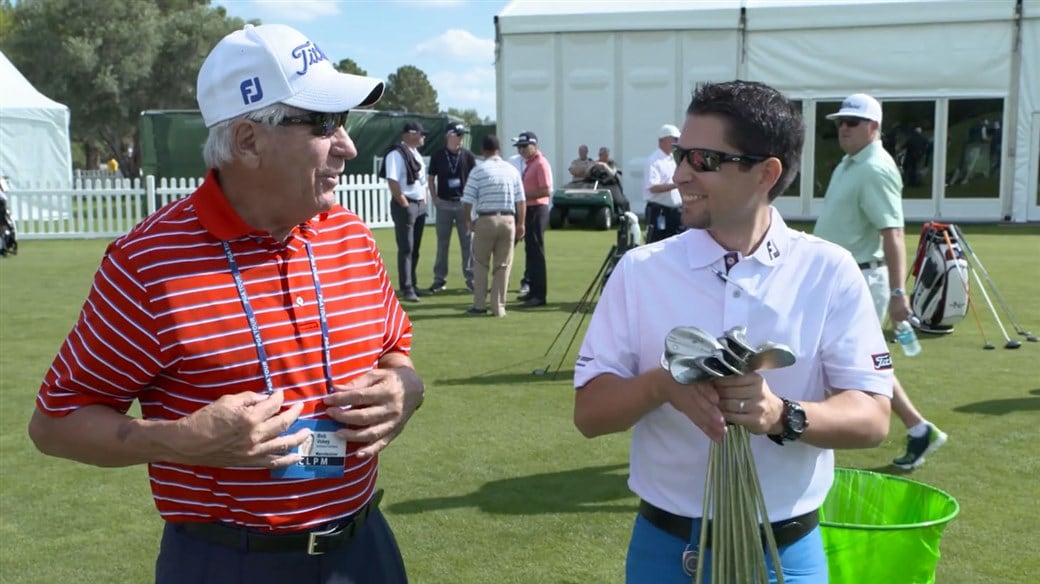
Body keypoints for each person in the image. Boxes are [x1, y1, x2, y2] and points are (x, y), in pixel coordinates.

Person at [27, 23, 424, 584]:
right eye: (324, 123)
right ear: (247, 140)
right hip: (228, 562)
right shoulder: (148, 264)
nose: (348, 146)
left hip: (363, 550)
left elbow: (394, 348)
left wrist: (406, 385)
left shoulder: (349, 235)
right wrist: (181, 440)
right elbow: (54, 424)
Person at [573, 80, 894, 583]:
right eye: (681, 155)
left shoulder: (828, 270)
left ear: (766, 173)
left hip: (786, 553)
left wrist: (781, 415)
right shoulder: (641, 270)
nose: (680, 174)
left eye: (704, 159)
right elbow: (590, 414)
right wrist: (661, 386)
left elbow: (873, 417)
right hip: (667, 551)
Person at [814, 92, 947, 470]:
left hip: (861, 279)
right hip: (840, 278)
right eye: (840, 122)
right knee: (861, 362)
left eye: (852, 122)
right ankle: (919, 429)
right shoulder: (850, 163)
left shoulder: (875, 168)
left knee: (851, 362)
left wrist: (898, 293)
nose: (843, 128)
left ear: (873, 127)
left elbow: (893, 232)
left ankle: (912, 428)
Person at [462, 135, 526, 317]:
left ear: (484, 151)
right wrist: (521, 223)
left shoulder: (478, 171)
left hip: (486, 219)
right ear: (499, 150)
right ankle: (498, 307)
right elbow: (521, 200)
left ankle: (479, 305)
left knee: (481, 263)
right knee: (503, 265)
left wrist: (468, 221)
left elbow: (467, 200)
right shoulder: (512, 170)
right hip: (508, 219)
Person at [427, 122, 477, 293]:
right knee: (442, 244)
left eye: (462, 135)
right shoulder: (438, 155)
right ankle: (439, 279)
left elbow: (474, 179)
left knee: (468, 243)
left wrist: (471, 199)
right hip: (444, 204)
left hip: (464, 204)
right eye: (458, 134)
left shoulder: (468, 156)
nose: (461, 138)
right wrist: (435, 197)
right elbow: (431, 178)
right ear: (448, 136)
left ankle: (471, 279)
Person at [386, 120, 431, 302]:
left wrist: (424, 201)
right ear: (411, 134)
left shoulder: (416, 154)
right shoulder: (396, 154)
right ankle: (407, 287)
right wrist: (404, 203)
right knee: (406, 248)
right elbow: (392, 181)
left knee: (415, 248)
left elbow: (422, 182)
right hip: (407, 204)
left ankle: (413, 283)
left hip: (419, 205)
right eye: (421, 133)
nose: (423, 137)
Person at [514, 131, 552, 308]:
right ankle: (533, 291)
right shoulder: (530, 163)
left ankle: (539, 295)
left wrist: (523, 195)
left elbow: (546, 190)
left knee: (537, 252)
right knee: (531, 251)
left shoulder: (541, 163)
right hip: (530, 209)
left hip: (537, 209)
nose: (521, 150)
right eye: (519, 147)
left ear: (534, 145)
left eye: (524, 146)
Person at [643, 124, 682, 243]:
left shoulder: (673, 159)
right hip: (659, 211)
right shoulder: (653, 161)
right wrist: (676, 185)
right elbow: (653, 187)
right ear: (664, 140)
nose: (677, 142)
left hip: (676, 211)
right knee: (657, 242)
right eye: (674, 139)